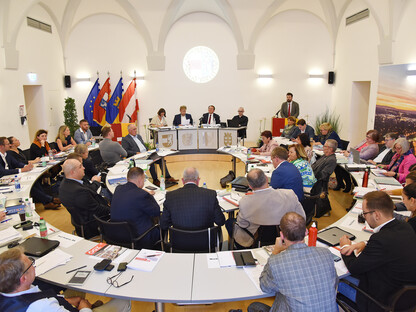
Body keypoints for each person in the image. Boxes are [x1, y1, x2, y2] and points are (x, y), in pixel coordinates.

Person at [339, 191, 416, 311]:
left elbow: (354, 268)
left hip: (379, 301)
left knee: (334, 280)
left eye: (365, 213)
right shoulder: (404, 226)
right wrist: (364, 243)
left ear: (376, 215)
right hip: (405, 299)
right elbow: (390, 247)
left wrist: (344, 247)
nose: (364, 217)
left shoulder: (381, 240)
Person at [248, 212, 337, 312]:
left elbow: (265, 287)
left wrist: (275, 252)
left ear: (281, 235)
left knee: (253, 306)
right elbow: (334, 282)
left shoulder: (276, 262)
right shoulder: (326, 254)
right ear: (306, 232)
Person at [0, 248, 131, 312]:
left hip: (62, 304)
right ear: (23, 278)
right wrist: (85, 308)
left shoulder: (7, 294)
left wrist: (64, 300)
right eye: (31, 263)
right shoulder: (41, 307)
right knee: (124, 299)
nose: (34, 266)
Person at [226, 169, 305, 248]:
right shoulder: (289, 194)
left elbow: (242, 225)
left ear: (250, 186)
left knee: (230, 222)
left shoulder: (244, 202)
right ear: (267, 179)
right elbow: (302, 218)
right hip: (284, 238)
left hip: (253, 240)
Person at [0, 137, 59, 210]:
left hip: (11, 177)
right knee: (28, 186)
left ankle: (47, 202)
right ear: (1, 146)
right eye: (7, 144)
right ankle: (50, 200)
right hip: (3, 181)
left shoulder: (7, 154)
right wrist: (21, 170)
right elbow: (2, 172)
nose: (9, 145)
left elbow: (16, 163)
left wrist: (26, 166)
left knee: (34, 181)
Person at [160, 167, 225, 230]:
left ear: (183, 180)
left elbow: (164, 225)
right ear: (198, 180)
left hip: (178, 240)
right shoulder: (210, 195)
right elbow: (220, 221)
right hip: (206, 240)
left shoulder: (170, 196)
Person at [111, 167, 160, 248]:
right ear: (140, 180)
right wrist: (148, 194)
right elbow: (156, 211)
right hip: (138, 237)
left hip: (116, 234)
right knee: (160, 221)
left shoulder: (118, 189)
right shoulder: (142, 194)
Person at [59, 159, 110, 238]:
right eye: (80, 167)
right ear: (73, 172)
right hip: (92, 225)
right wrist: (112, 210)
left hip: (80, 220)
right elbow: (97, 210)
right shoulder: (79, 191)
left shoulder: (64, 185)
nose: (84, 168)